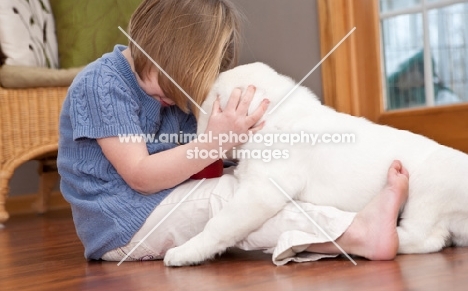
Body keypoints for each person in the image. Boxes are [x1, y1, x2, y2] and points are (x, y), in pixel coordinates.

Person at [57, 0, 409, 265]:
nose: (176, 101)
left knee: (265, 184)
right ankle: (357, 233)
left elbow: (197, 160)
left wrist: (238, 145)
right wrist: (214, 143)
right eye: (171, 85)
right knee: (234, 198)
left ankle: (357, 221)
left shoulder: (171, 93)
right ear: (151, 46)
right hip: (121, 223)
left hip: (163, 204)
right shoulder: (102, 83)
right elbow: (141, 176)